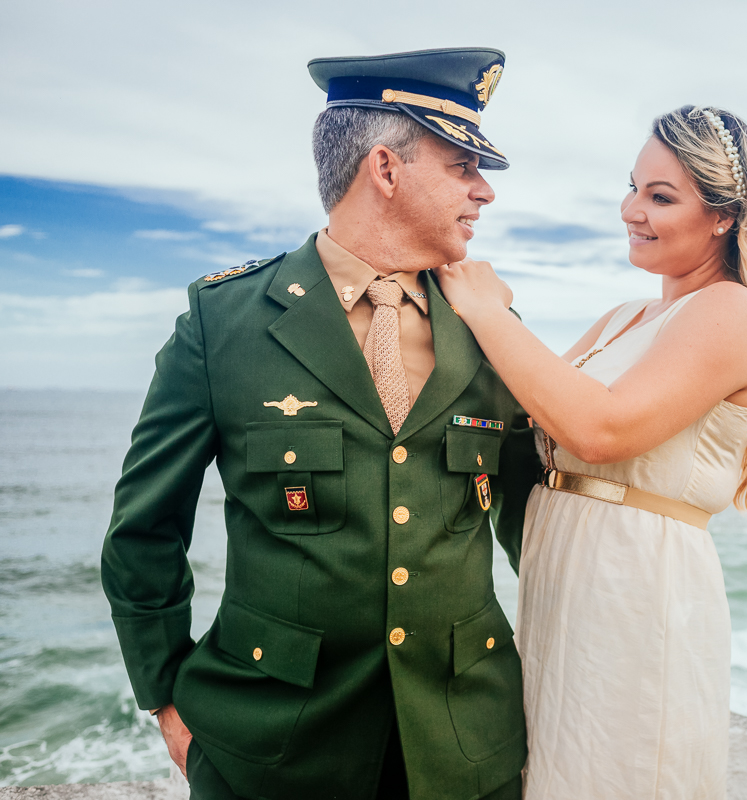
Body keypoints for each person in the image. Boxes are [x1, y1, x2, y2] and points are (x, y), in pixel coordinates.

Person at [101, 48, 539, 800]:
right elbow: (145, 530)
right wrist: (165, 697)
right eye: (463, 164)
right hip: (270, 748)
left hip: (463, 747)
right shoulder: (224, 321)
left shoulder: (494, 329)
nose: (483, 191)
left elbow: (536, 527)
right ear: (386, 169)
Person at [436, 105, 747, 799]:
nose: (632, 209)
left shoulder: (728, 312)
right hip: (565, 577)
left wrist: (485, 309)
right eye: (632, 187)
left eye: (660, 197)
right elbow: (529, 415)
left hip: (636, 590)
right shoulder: (625, 318)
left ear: (723, 216)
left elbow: (598, 430)